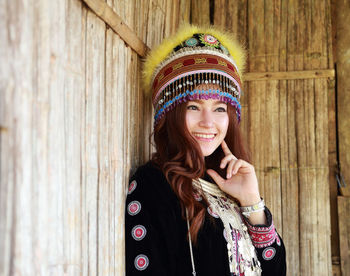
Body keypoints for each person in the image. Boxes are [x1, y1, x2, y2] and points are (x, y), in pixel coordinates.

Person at [125, 25, 286, 276]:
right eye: (193, 106)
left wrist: (251, 202)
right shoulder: (153, 185)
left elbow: (276, 271)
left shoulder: (229, 185)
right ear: (170, 113)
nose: (208, 122)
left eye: (220, 109)